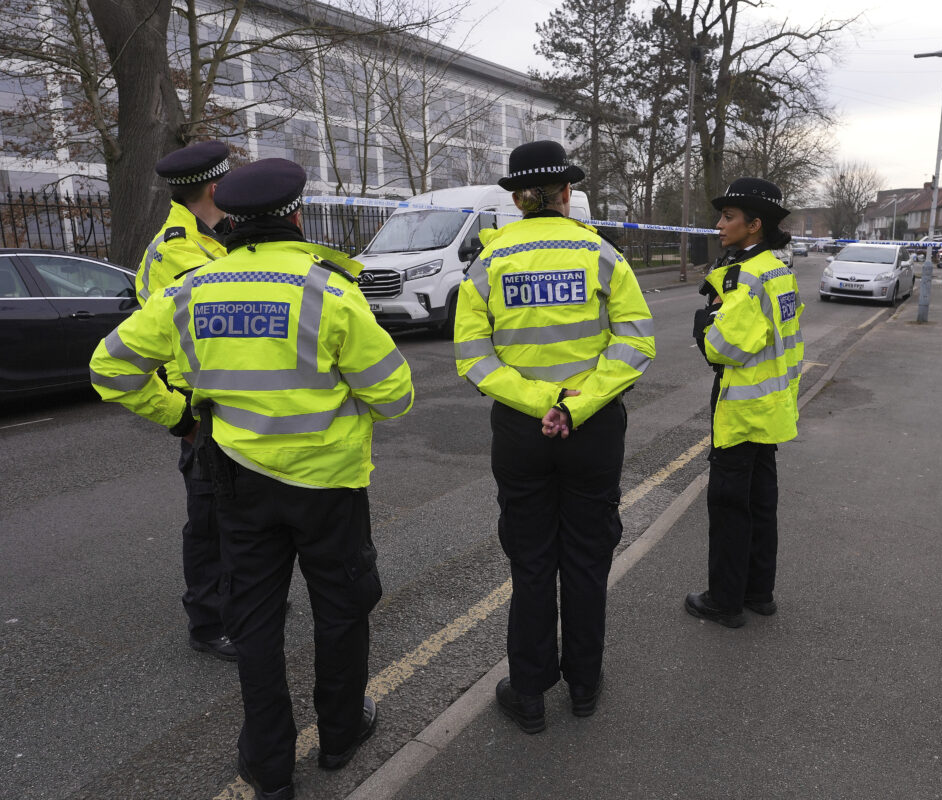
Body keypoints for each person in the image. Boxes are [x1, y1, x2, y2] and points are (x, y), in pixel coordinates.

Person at [90, 158, 414, 800]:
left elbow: (110, 367)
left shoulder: (190, 290)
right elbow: (395, 396)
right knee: (341, 609)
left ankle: (269, 766)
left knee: (257, 623)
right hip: (328, 487)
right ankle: (341, 735)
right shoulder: (329, 290)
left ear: (231, 220)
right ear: (297, 216)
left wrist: (180, 416)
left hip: (237, 483)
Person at [454, 140, 655, 733]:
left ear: (517, 197)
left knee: (532, 561)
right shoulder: (603, 255)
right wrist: (575, 405)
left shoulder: (487, 263)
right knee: (588, 560)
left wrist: (540, 404)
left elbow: (472, 355)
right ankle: (585, 686)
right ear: (566, 193)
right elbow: (636, 342)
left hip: (521, 431)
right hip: (591, 430)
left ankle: (531, 691)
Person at [686, 177, 804, 629]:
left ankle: (725, 601)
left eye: (728, 217)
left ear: (755, 225)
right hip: (773, 405)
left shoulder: (746, 276)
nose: (719, 225)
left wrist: (705, 320)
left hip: (741, 406)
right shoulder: (779, 267)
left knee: (729, 507)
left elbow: (722, 349)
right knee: (760, 504)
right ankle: (759, 593)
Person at [138, 140, 236, 660]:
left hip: (212, 401)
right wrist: (187, 419)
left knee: (231, 508)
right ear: (216, 187)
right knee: (209, 519)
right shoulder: (182, 251)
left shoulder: (206, 239)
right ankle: (208, 622)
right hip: (198, 405)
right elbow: (188, 342)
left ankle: (233, 600)